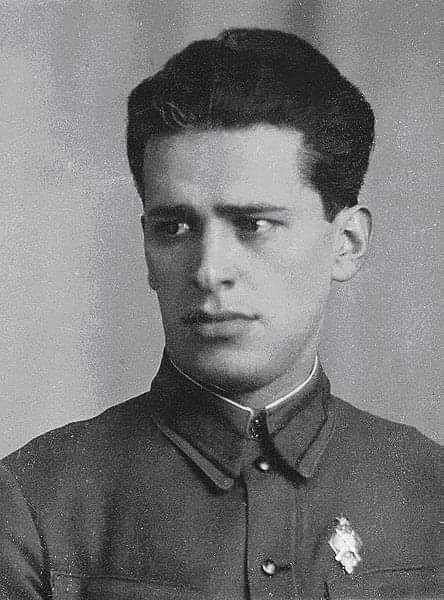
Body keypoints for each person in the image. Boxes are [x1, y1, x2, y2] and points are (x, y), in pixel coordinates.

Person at [0, 28, 439, 600]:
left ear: (347, 243)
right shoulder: (35, 505)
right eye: (174, 227)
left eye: (253, 224)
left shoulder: (430, 492)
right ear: (147, 251)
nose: (209, 269)